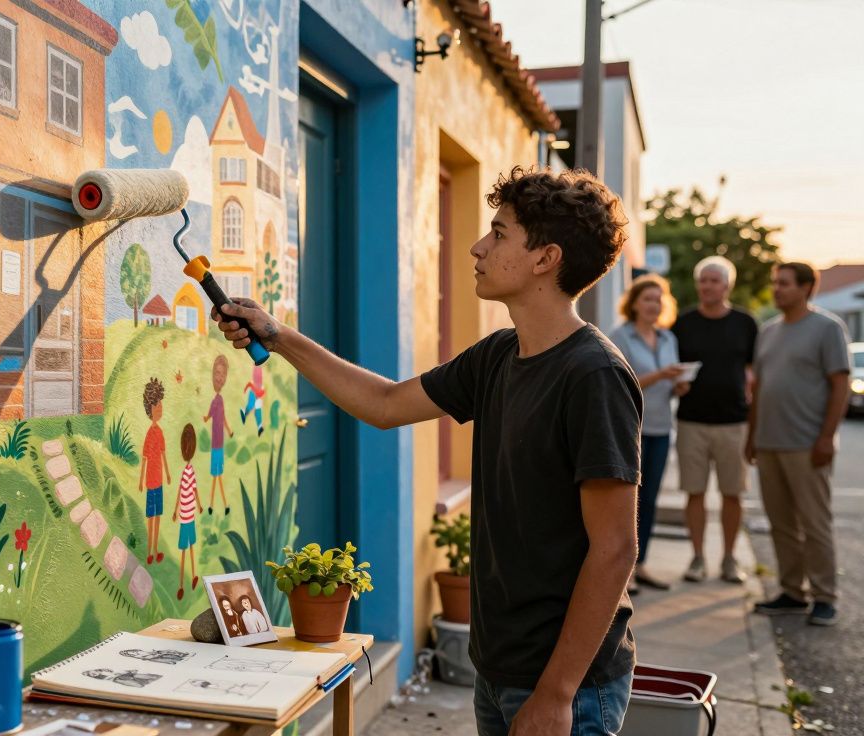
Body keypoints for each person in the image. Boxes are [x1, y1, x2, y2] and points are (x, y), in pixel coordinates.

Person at [215, 167, 640, 736]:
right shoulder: (498, 355)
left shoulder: (595, 375)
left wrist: (557, 693)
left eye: (499, 233)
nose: (477, 246)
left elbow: (615, 548)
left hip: (565, 684)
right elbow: (386, 404)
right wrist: (278, 335)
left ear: (546, 259)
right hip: (499, 667)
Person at [748, 263, 850, 627]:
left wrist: (826, 437)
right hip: (769, 442)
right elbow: (759, 388)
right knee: (781, 523)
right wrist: (752, 436)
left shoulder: (827, 328)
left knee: (814, 523)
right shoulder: (768, 332)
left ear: (807, 288)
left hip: (808, 444)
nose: (777, 290)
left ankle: (825, 596)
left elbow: (840, 384)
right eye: (775, 283)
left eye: (785, 284)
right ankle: (792, 591)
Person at [671, 255, 759, 584]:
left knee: (732, 494)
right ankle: (696, 558)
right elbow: (672, 368)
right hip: (691, 420)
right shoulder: (683, 324)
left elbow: (755, 371)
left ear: (727, 285)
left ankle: (729, 558)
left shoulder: (745, 323)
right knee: (694, 493)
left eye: (714, 280)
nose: (708, 286)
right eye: (703, 280)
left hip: (734, 421)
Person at [610, 275, 684, 593]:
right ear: (634, 303)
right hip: (630, 428)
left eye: (658, 300)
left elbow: (671, 381)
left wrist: (680, 383)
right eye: (648, 299)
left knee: (650, 499)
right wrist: (659, 376)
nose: (654, 305)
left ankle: (641, 565)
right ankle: (621, 570)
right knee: (628, 500)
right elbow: (619, 383)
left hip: (661, 427)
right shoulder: (619, 336)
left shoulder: (668, 339)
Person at [137, 378, 171, 565]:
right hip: (150, 482)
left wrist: (167, 473)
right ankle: (149, 550)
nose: (160, 411)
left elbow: (163, 454)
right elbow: (144, 459)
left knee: (158, 516)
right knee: (151, 518)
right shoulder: (150, 434)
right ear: (150, 410)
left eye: (161, 408)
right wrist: (141, 480)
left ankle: (156, 549)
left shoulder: (160, 432)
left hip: (159, 481)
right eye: (157, 408)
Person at [202, 354, 234, 514]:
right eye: (217, 374)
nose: (220, 378)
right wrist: (205, 418)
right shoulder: (215, 401)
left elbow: (223, 418)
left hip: (219, 445)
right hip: (216, 445)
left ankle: (214, 505)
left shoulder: (219, 400)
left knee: (217, 476)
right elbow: (210, 415)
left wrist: (229, 430)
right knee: (217, 477)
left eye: (223, 375)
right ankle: (218, 504)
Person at [175, 423, 202, 600]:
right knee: (187, 548)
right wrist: (176, 509)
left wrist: (198, 505)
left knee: (189, 547)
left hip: (188, 515)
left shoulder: (188, 471)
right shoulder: (187, 472)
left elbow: (192, 490)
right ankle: (183, 583)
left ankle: (191, 577)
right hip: (187, 517)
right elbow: (185, 490)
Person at [240, 364, 266, 436]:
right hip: (255, 390)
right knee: (252, 405)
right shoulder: (257, 368)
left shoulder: (259, 368)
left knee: (258, 410)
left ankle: (260, 426)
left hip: (259, 390)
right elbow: (252, 382)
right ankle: (244, 411)